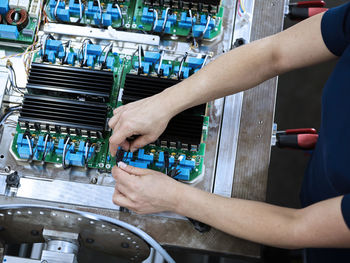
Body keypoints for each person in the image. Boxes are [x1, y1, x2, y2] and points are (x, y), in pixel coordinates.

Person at [108, 3, 350, 262]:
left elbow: (297, 227)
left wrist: (176, 198)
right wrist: (163, 103)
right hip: (325, 181)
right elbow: (274, 53)